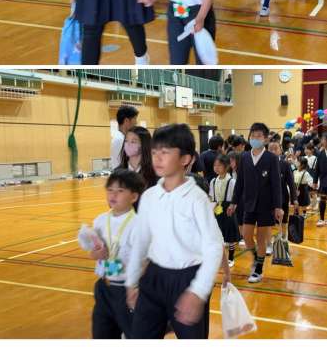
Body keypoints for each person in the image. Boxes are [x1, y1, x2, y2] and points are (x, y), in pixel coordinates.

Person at [125, 124, 224, 339]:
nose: (157, 158)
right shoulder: (149, 196)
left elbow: (214, 245)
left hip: (187, 279)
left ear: (185, 159)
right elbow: (140, 242)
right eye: (154, 152)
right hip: (154, 277)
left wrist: (198, 291)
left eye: (165, 152)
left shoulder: (197, 199)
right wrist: (132, 281)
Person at [87, 170, 145, 339]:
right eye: (110, 190)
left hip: (126, 290)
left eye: (120, 191)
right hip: (104, 287)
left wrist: (134, 286)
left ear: (133, 197)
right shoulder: (100, 220)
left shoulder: (138, 225)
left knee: (136, 335)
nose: (113, 194)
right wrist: (96, 254)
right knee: (102, 335)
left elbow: (143, 261)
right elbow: (93, 253)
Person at [228, 122, 283, 283]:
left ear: (265, 139)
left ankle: (258, 270)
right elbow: (240, 182)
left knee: (260, 238)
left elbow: (276, 184)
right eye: (253, 135)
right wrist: (234, 202)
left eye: (259, 136)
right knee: (246, 236)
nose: (255, 138)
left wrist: (278, 206)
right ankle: (256, 258)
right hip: (248, 203)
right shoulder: (244, 157)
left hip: (266, 205)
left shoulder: (271, 158)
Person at [209, 154, 240, 267]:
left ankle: (231, 257)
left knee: (230, 235)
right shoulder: (213, 181)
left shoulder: (231, 181)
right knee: (217, 235)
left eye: (219, 165)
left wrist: (233, 208)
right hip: (217, 210)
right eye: (215, 165)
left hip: (228, 210)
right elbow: (212, 197)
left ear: (226, 166)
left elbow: (236, 198)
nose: (216, 168)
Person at [116, 126, 158, 193]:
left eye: (133, 142)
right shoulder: (117, 172)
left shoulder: (155, 173)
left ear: (144, 144)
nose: (128, 144)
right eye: (126, 141)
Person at [269, 141, 298, 239]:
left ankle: (284, 238)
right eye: (270, 149)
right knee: (269, 221)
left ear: (280, 150)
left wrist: (294, 199)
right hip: (268, 198)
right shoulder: (264, 164)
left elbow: (291, 183)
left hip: (283, 197)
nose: (273, 151)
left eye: (275, 149)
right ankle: (269, 242)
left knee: (284, 219)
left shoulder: (285, 164)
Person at [110, 106, 138, 171]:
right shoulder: (120, 139)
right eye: (135, 119)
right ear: (126, 121)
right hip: (123, 175)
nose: (136, 123)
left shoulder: (121, 137)